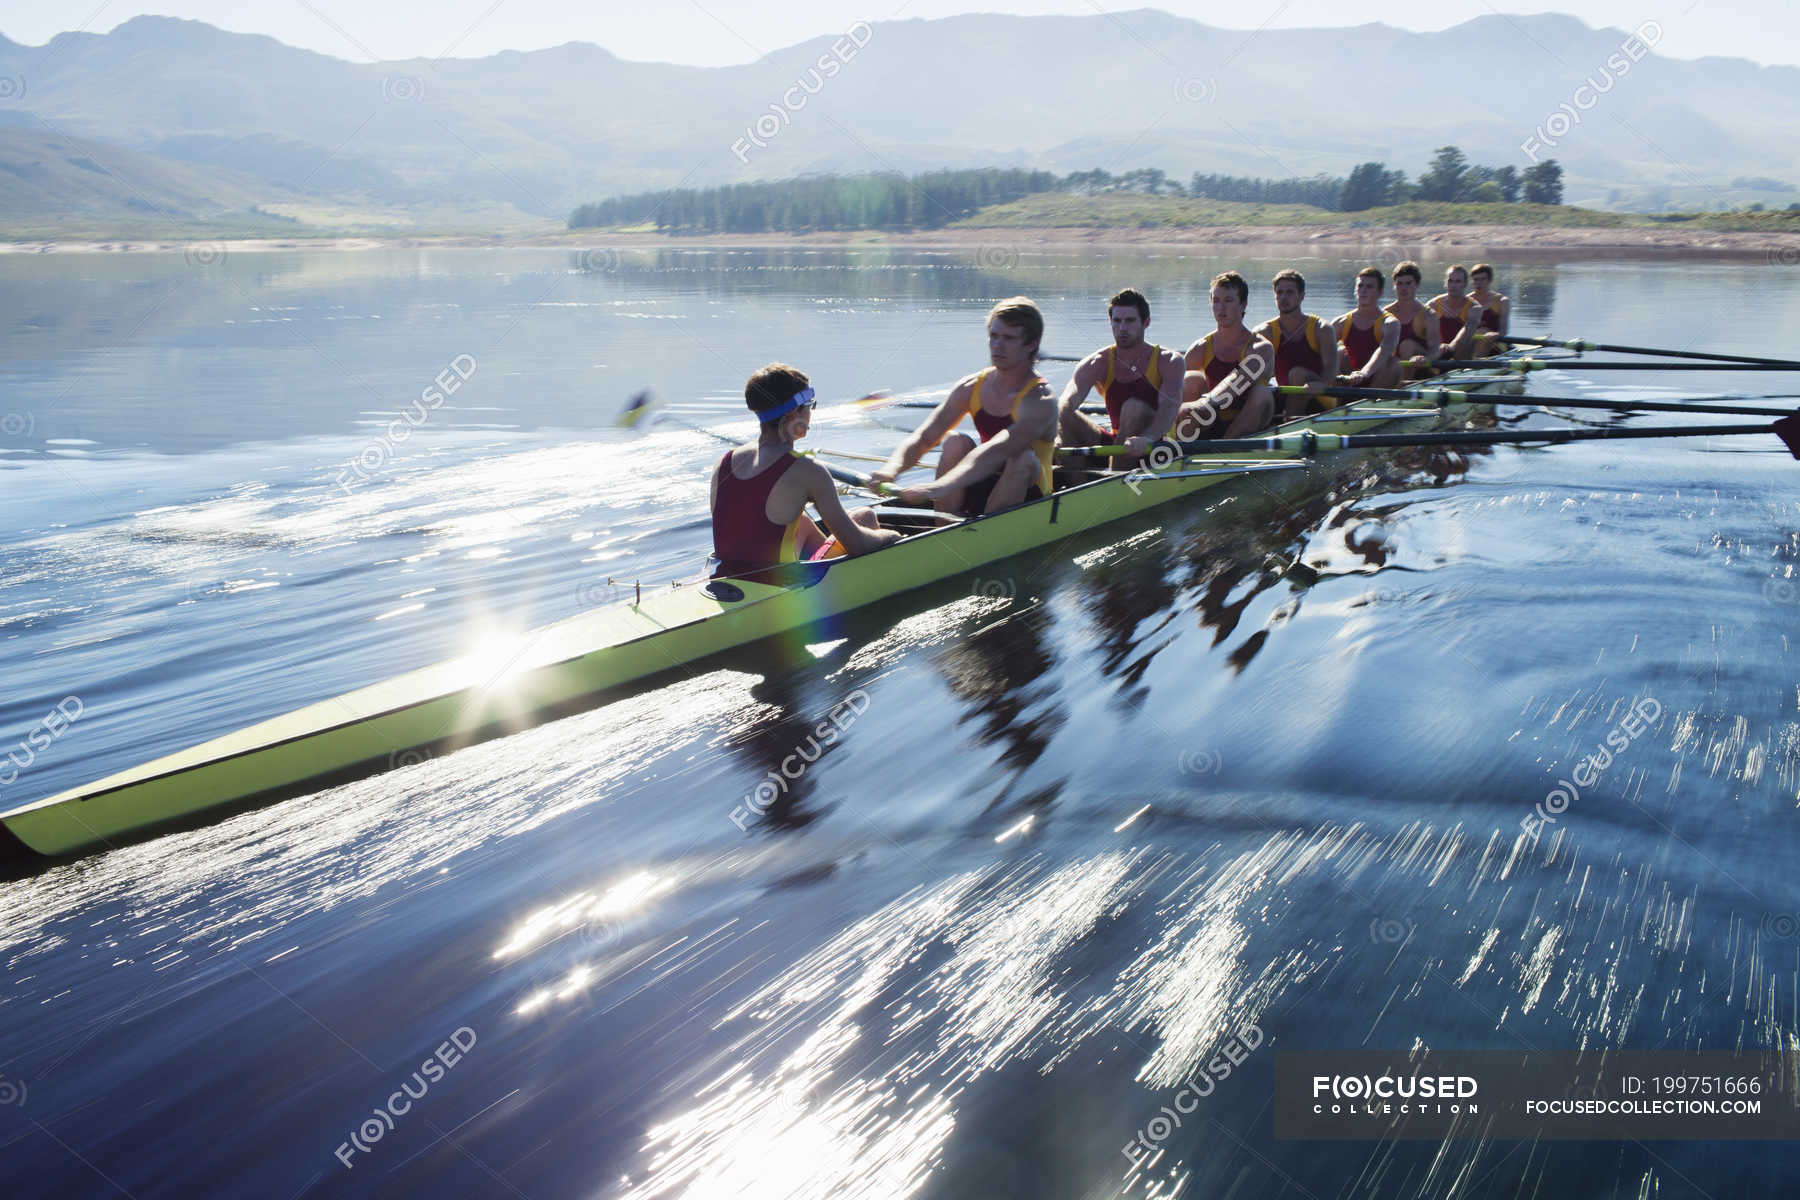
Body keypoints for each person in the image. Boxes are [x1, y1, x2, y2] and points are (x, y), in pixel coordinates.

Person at [870, 297, 1058, 515]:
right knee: (954, 442)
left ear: (1032, 344)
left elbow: (997, 450)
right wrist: (890, 470)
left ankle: (985, 532)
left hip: (1029, 494)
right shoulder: (971, 387)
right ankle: (945, 525)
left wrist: (935, 488)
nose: (997, 345)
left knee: (1022, 458)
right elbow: (925, 438)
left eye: (1008, 338)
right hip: (979, 480)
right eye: (994, 336)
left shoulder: (1040, 399)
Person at [711, 363, 899, 578]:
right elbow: (858, 545)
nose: (811, 412)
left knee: (802, 522)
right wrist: (889, 536)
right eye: (810, 404)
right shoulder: (808, 471)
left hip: (726, 578)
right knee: (866, 518)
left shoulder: (723, 463)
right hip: (778, 585)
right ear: (794, 411)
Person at [1057, 287, 1185, 465]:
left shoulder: (1170, 361)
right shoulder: (1097, 362)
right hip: (1116, 443)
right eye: (1117, 321)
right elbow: (1066, 401)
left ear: (1146, 322)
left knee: (1133, 407)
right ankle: (1076, 482)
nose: (1122, 328)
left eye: (1130, 321)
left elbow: (1169, 410)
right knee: (1063, 412)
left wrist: (1148, 438)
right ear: (1110, 321)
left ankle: (1113, 478)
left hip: (1152, 445)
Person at [1179, 271, 1276, 439]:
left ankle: (1226, 445)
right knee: (1191, 380)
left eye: (1228, 301)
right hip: (1212, 419)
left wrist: (1206, 402)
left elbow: (1239, 377)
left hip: (1250, 422)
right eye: (1216, 301)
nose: (1221, 308)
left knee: (1262, 393)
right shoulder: (1199, 348)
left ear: (1243, 304)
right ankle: (1181, 449)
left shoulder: (1261, 347)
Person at [1259, 268, 1339, 417]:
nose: (1283, 298)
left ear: (1301, 296)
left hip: (1319, 396)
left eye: (1289, 292)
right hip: (1286, 394)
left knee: (1297, 374)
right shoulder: (1265, 332)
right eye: (1279, 293)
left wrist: (1322, 383)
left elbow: (1331, 369)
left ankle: (1288, 423)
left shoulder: (1321, 328)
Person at [1333, 266, 1402, 389]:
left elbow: (1384, 350)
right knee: (1338, 352)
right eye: (1360, 286)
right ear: (1355, 290)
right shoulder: (1341, 322)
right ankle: (1343, 398)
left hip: (1378, 378)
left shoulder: (1390, 323)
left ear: (1379, 292)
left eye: (1369, 287)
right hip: (1350, 377)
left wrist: (1364, 373)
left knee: (1393, 363)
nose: (1363, 290)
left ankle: (1369, 400)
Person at [1384, 260, 1440, 378]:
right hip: (1395, 365)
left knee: (1407, 346)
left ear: (1417, 284)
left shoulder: (1428, 315)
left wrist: (1425, 359)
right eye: (1400, 283)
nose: (1404, 288)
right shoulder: (1385, 313)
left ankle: (1402, 386)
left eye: (1408, 283)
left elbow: (1435, 350)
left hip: (1423, 368)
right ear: (1394, 285)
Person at [1428, 264, 1486, 362]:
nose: (1453, 285)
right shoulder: (1433, 305)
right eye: (1450, 281)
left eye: (1458, 281)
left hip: (1461, 355)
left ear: (1464, 284)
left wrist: (1451, 347)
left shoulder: (1474, 308)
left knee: (1467, 342)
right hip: (1438, 351)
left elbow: (1468, 328)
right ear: (1446, 283)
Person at [1469, 262, 1511, 356]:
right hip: (1471, 342)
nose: (1478, 283)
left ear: (1490, 280)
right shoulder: (1466, 301)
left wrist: (1496, 334)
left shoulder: (1502, 301)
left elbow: (1503, 331)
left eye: (1482, 279)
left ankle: (1473, 365)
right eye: (1475, 279)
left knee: (1483, 331)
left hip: (1495, 344)